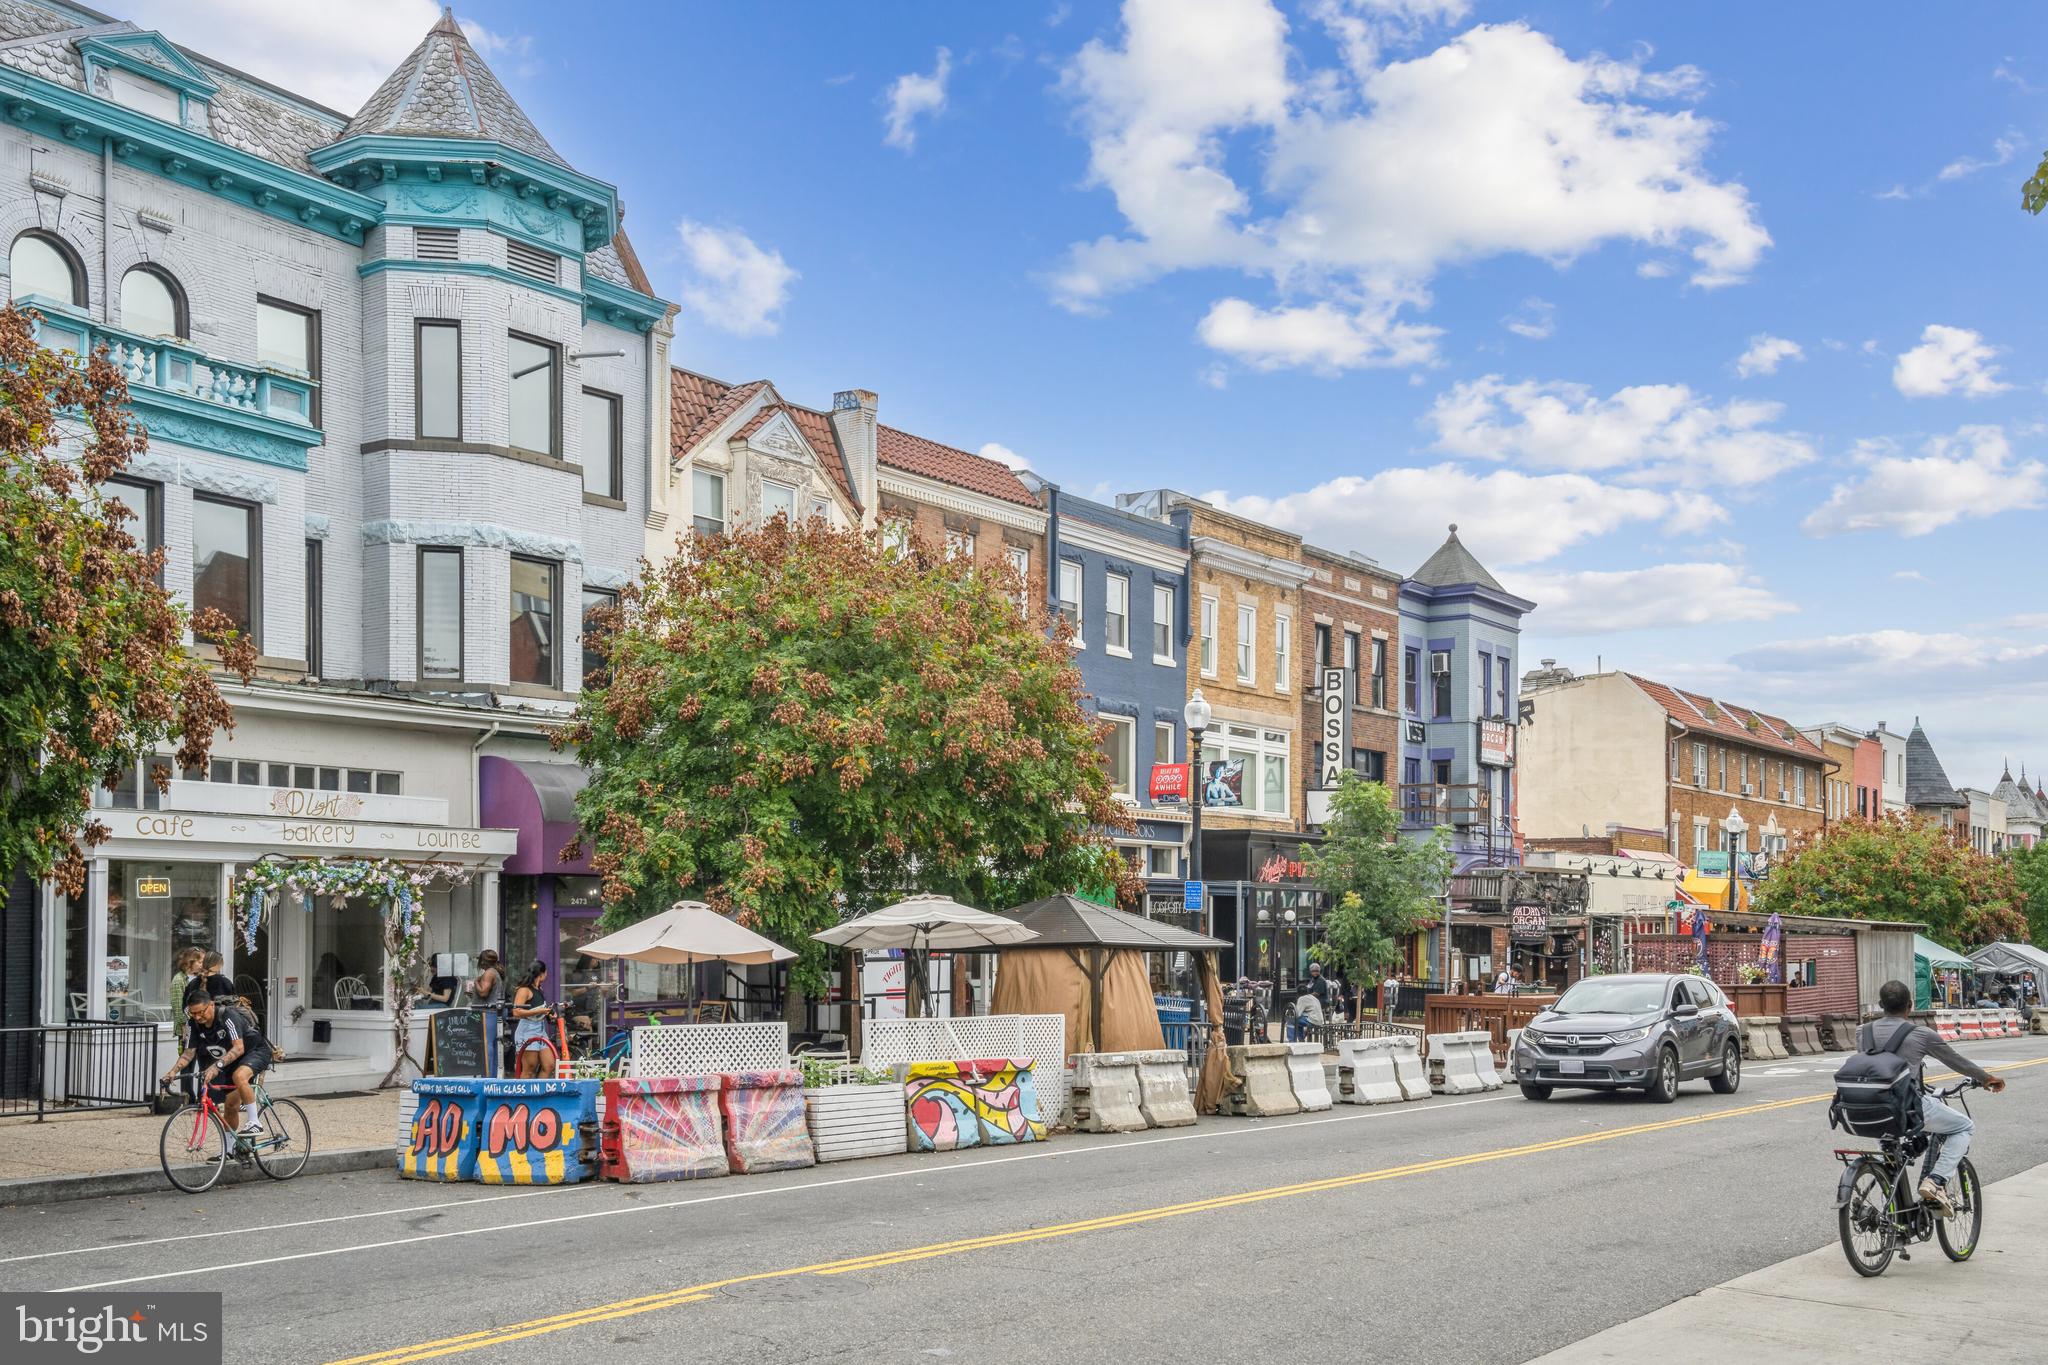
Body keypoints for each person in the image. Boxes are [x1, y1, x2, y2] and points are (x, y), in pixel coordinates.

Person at [1860, 979, 2005, 1217]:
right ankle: (1935, 1182)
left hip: (1867, 1109)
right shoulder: (1920, 1034)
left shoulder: (1862, 1032)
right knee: (1963, 1126)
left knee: (1896, 1148)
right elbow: (1956, 1061)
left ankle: (1895, 1211)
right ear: (1910, 1005)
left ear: (1880, 1005)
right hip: (1906, 1106)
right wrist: (1987, 1078)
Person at [159, 982, 272, 1137]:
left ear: (211, 1005)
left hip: (255, 1051)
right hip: (233, 1059)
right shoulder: (194, 1024)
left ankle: (255, 1122)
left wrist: (216, 1066)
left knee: (239, 1075)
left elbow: (239, 1048)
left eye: (201, 1012)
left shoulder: (227, 1016)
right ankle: (229, 1150)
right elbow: (188, 1053)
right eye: (193, 1014)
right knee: (231, 1105)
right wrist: (172, 1072)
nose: (198, 1017)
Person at [510, 959, 556, 1078]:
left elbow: (537, 1008)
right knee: (529, 1068)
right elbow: (516, 1011)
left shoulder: (539, 989)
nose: (547, 975)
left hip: (540, 1030)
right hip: (527, 1030)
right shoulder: (524, 989)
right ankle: (524, 1095)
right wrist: (540, 1011)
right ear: (541, 974)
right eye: (546, 972)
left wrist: (548, 1013)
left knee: (549, 1065)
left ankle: (539, 1093)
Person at [168, 947, 204, 1022]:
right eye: (200, 962)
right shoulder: (178, 980)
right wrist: (183, 1025)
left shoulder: (200, 977)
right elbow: (178, 1008)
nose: (202, 965)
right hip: (186, 1026)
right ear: (190, 962)